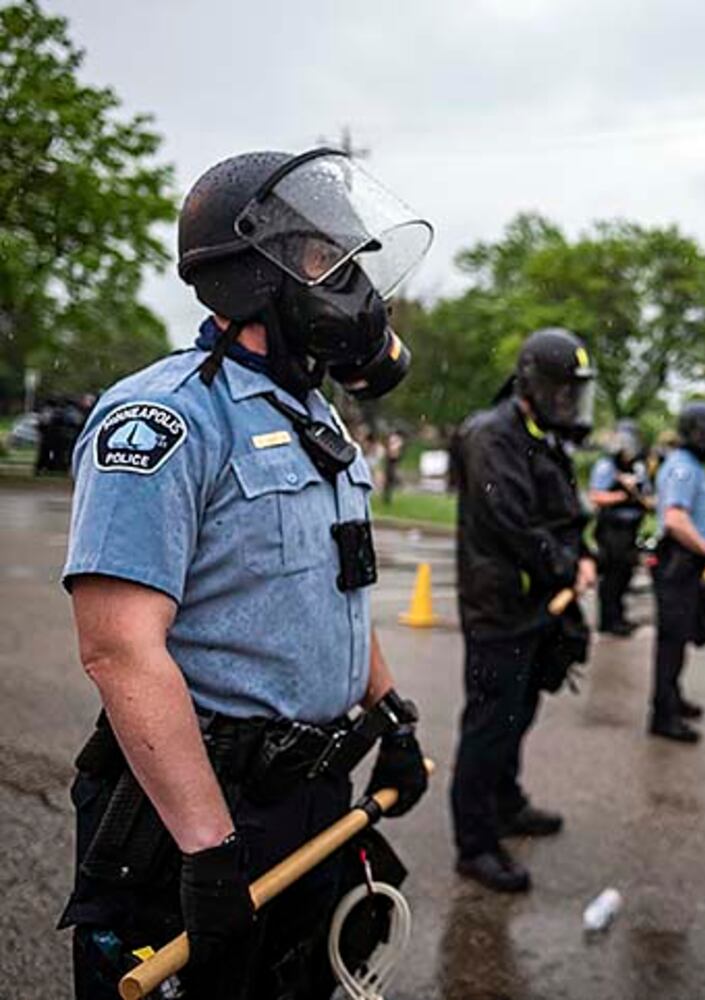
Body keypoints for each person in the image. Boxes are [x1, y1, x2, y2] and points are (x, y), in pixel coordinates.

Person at [59, 148, 432, 1000]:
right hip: (199, 809)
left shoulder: (315, 415)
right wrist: (207, 848)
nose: (351, 285)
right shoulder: (164, 419)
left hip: (310, 799)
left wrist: (389, 713)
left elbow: (333, 587)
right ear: (250, 276)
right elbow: (119, 650)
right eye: (321, 259)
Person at [449, 328, 597, 893]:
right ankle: (476, 844)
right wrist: (567, 565)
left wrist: (576, 556)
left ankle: (506, 803)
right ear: (535, 385)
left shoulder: (544, 435)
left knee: (519, 714)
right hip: (498, 609)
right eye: (563, 390)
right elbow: (511, 522)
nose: (570, 403)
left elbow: (560, 515)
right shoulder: (494, 435)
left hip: (535, 605)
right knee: (489, 724)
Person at [650, 401, 705, 744]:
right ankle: (662, 715)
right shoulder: (684, 468)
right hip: (677, 562)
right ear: (696, 433)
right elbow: (674, 519)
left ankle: (673, 699)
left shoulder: (691, 466)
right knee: (672, 641)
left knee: (681, 635)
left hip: (685, 563)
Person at [589, 420, 651, 637]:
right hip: (611, 529)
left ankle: (619, 617)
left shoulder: (638, 467)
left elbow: (648, 497)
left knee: (625, 573)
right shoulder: (607, 466)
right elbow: (596, 496)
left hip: (631, 529)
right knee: (611, 576)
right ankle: (608, 620)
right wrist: (623, 495)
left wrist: (639, 496)